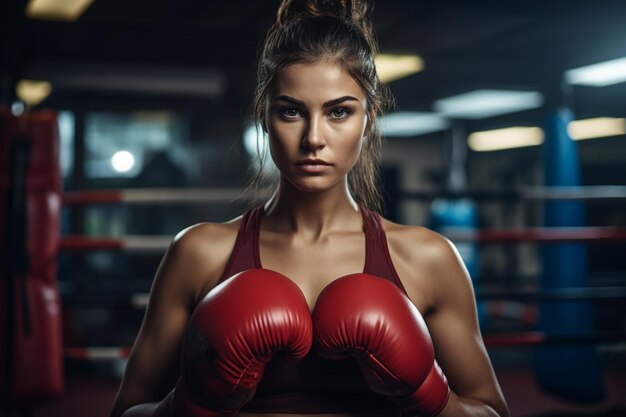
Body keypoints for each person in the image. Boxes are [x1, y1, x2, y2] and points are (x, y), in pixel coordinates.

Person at [109, 0, 510, 416]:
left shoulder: (427, 259)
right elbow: (126, 411)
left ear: (369, 118)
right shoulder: (199, 254)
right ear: (264, 117)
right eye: (291, 111)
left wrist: (428, 392)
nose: (313, 137)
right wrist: (192, 401)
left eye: (339, 112)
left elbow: (491, 411)